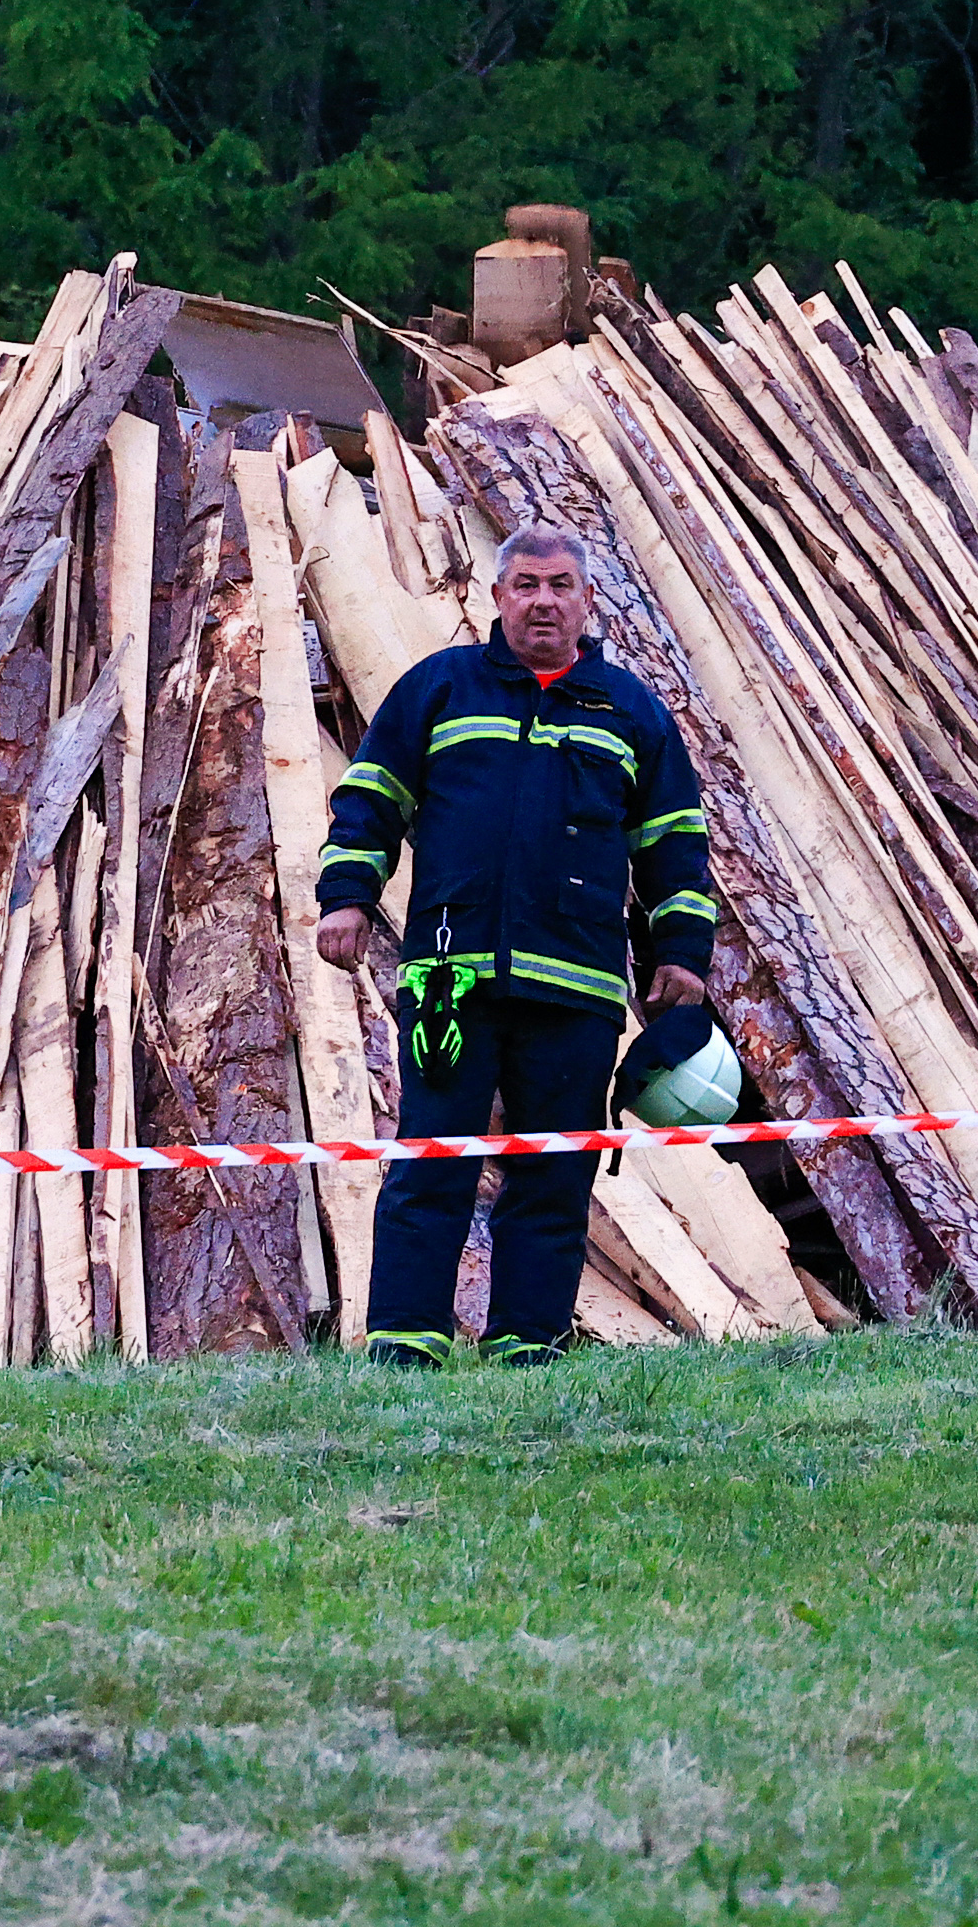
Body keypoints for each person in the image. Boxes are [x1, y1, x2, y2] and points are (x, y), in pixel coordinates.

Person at [311, 527, 716, 1364]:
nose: (543, 601)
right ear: (496, 598)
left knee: (554, 1171)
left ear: (587, 601)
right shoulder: (440, 688)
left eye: (561, 586)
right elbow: (369, 798)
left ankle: (528, 1345)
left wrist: (680, 953)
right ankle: (405, 1344)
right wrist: (347, 896)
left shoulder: (630, 712)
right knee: (433, 1161)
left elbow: (675, 844)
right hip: (451, 983)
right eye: (526, 585)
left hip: (575, 988)